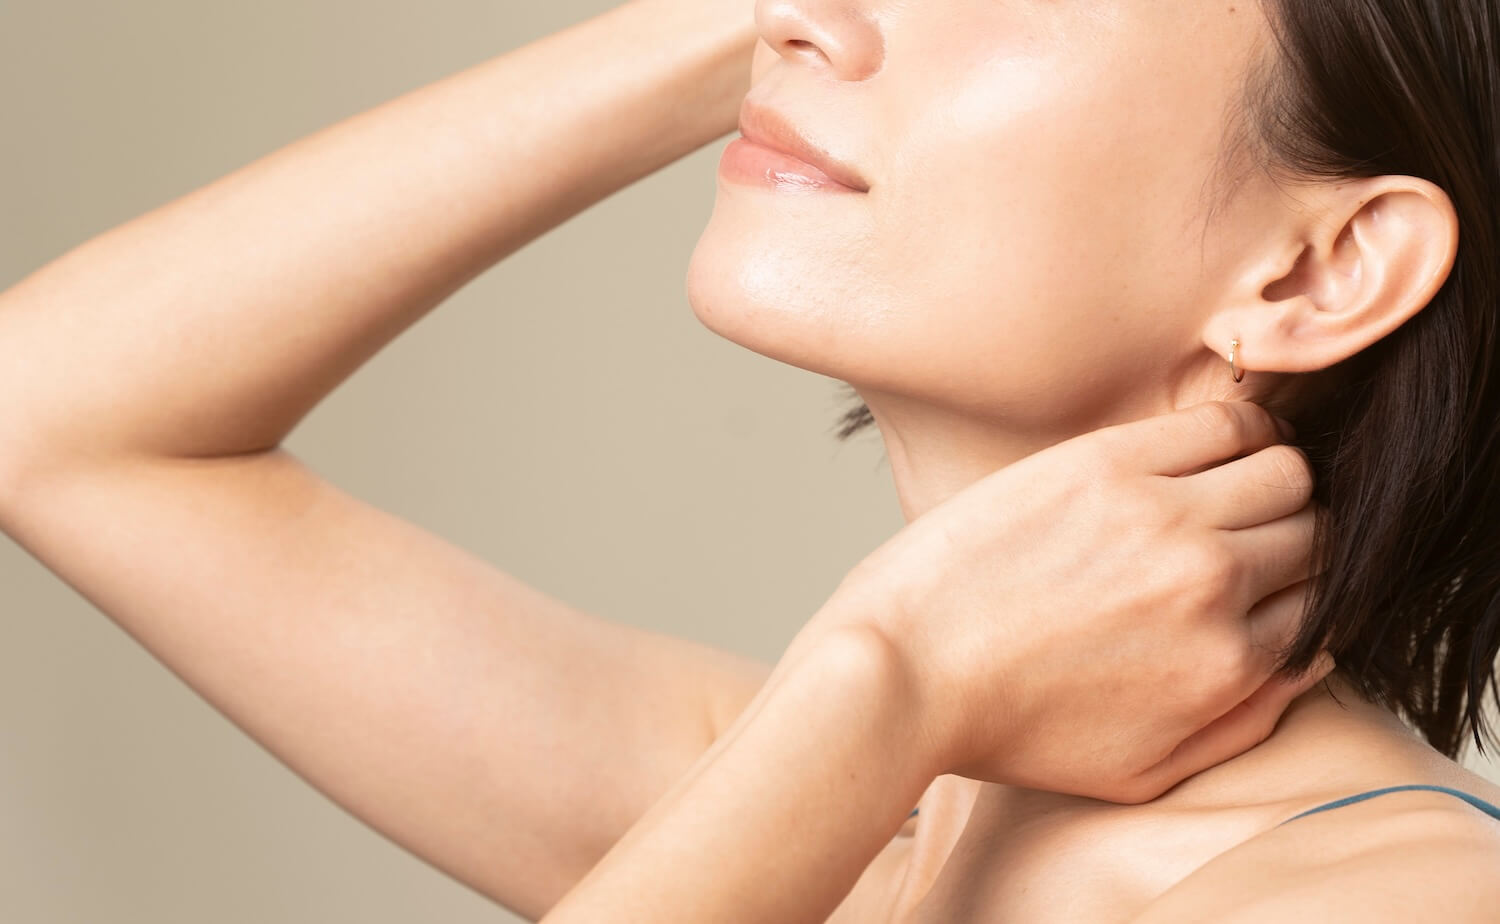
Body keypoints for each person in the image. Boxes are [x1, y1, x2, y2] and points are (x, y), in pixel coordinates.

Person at [0, 0, 1497, 921]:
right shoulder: (848, 801)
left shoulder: (1397, 906)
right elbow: (48, 410)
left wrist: (889, 679)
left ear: (1322, 272)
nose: (808, 18)